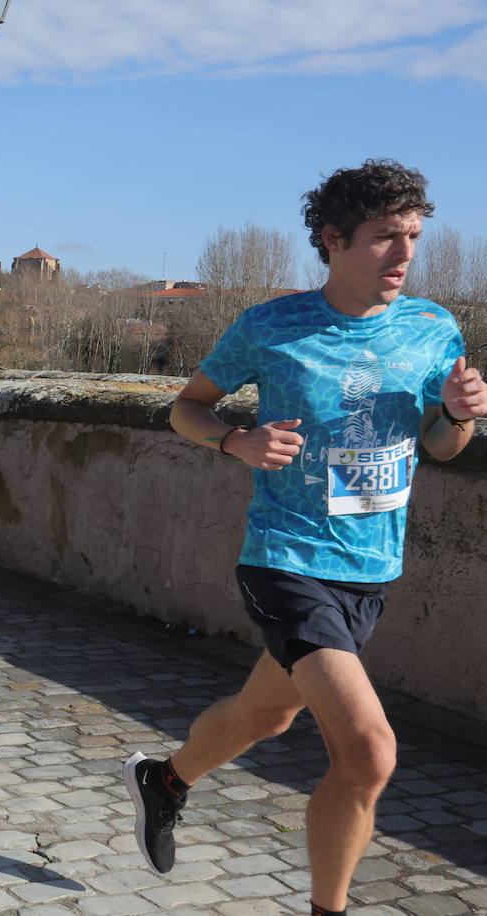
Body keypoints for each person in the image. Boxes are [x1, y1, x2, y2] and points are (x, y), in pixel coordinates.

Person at [123, 160, 486, 916]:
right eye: (386, 237)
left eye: (413, 237)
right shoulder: (273, 326)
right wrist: (236, 442)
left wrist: (456, 413)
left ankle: (165, 781)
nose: (404, 255)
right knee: (368, 751)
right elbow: (187, 409)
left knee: (267, 715)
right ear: (332, 239)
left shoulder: (431, 329)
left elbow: (439, 448)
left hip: (370, 567)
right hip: (285, 557)